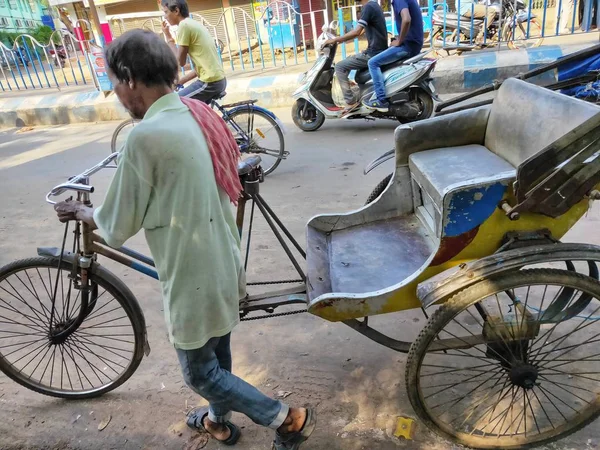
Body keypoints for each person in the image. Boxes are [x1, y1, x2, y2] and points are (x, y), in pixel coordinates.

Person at [53, 29, 316, 450]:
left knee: (199, 372)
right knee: (218, 352)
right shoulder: (195, 111)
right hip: (222, 258)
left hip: (193, 274)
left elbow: (116, 223)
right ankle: (218, 420)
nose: (116, 93)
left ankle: (287, 418)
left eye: (114, 83)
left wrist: (83, 211)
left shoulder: (144, 136)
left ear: (130, 79)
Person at [323, 0, 388, 113]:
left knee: (339, 66)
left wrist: (335, 40)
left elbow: (356, 32)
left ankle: (350, 101)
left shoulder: (368, 7)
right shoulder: (374, 5)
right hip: (377, 50)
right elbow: (363, 31)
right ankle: (362, 96)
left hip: (374, 53)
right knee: (355, 71)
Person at [161, 0, 226, 103]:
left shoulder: (184, 26)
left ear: (176, 11)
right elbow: (198, 69)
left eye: (166, 12)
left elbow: (180, 62)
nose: (165, 17)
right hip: (218, 80)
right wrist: (179, 82)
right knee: (195, 113)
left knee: (176, 102)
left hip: (210, 82)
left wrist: (169, 37)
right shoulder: (193, 24)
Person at [363, 0, 424, 111]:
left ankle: (381, 100)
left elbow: (406, 19)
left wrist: (400, 41)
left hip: (408, 46)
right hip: (413, 44)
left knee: (372, 62)